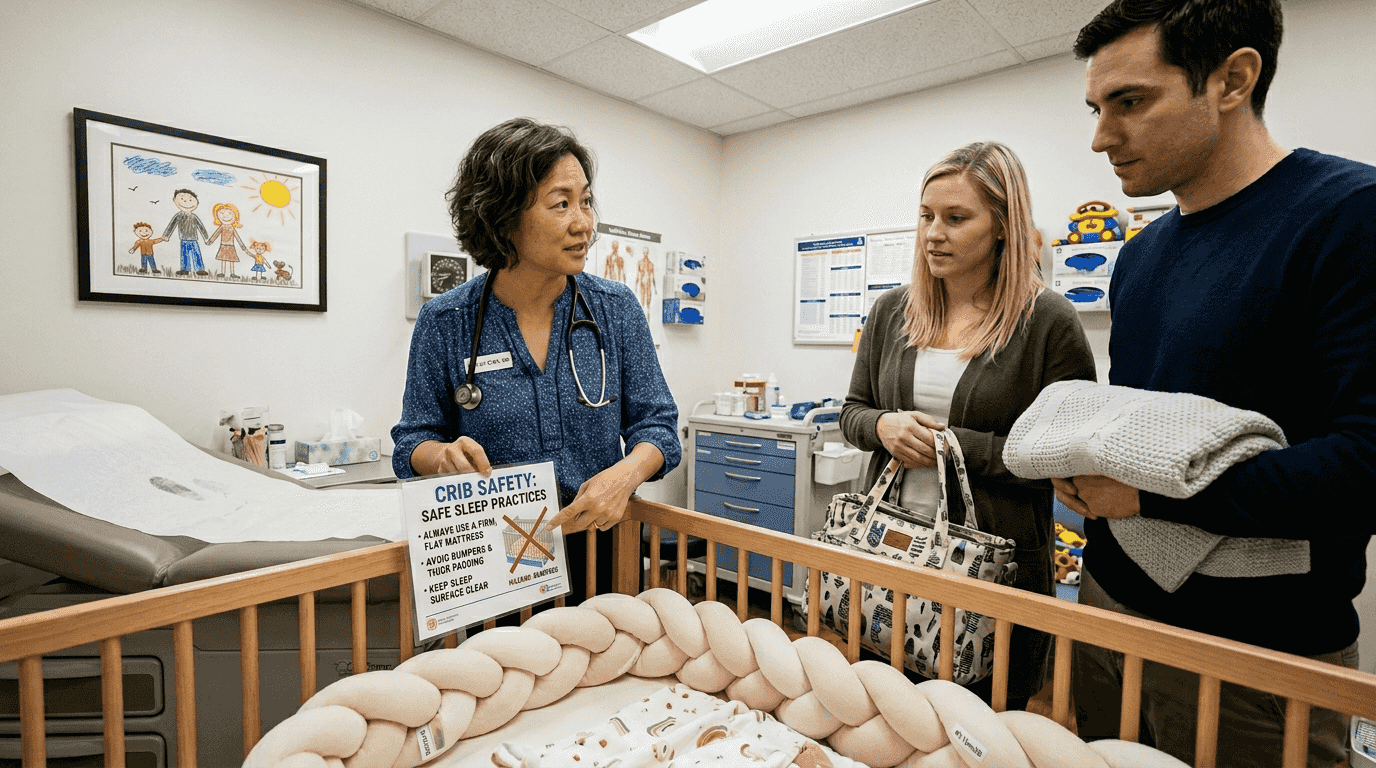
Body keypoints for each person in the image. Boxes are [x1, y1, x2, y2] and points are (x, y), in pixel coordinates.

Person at [1059, 2, 1376, 765]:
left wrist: (1143, 494)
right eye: (1098, 108)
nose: (1102, 137)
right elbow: (1139, 427)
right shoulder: (1140, 256)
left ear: (1232, 79)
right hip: (1110, 611)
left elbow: (1365, 464)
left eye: (1131, 102)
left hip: (1254, 651)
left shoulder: (1347, 217)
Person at [840, 141, 1096, 709]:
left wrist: (952, 448)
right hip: (892, 553)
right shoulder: (892, 311)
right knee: (886, 710)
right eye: (927, 216)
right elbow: (851, 411)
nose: (934, 233)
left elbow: (1067, 463)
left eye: (957, 218)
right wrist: (881, 427)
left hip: (990, 570)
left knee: (981, 723)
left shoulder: (1048, 321)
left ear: (1003, 226)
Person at [391, 117, 681, 606]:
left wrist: (625, 475)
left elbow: (659, 427)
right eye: (561, 204)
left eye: (586, 201)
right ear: (504, 217)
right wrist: (441, 457)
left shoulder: (615, 309)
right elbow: (410, 443)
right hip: (493, 560)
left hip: (601, 547)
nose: (583, 223)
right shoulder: (446, 321)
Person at [162, 188, 210, 276]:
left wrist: (206, 238)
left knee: (196, 254)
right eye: (183, 200)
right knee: (184, 254)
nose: (187, 203)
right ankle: (184, 269)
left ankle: (199, 269)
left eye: (190, 200)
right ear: (175, 202)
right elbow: (171, 225)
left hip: (193, 239)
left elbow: (201, 227)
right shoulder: (179, 215)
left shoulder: (194, 216)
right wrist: (166, 235)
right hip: (183, 239)